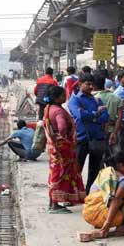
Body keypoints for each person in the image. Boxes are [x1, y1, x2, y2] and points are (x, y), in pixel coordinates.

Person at [44, 85, 87, 213]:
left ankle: (53, 202)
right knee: (61, 174)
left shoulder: (49, 108)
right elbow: (62, 127)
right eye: (63, 95)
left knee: (55, 173)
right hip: (63, 149)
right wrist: (64, 137)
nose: (65, 97)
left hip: (55, 148)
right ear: (57, 98)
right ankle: (54, 205)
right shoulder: (58, 111)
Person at [68, 74, 109, 193]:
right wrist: (96, 114)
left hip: (97, 138)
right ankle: (74, 193)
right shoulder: (75, 100)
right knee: (77, 168)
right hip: (82, 139)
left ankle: (89, 193)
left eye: (92, 84)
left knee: (95, 170)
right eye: (88, 84)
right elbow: (80, 115)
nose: (91, 87)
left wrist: (91, 115)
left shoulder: (97, 99)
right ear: (80, 84)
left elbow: (105, 117)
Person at [94, 73, 121, 150]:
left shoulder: (92, 98)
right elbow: (120, 117)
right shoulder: (115, 97)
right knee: (113, 156)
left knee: (99, 157)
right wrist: (115, 132)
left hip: (98, 132)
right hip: (113, 130)